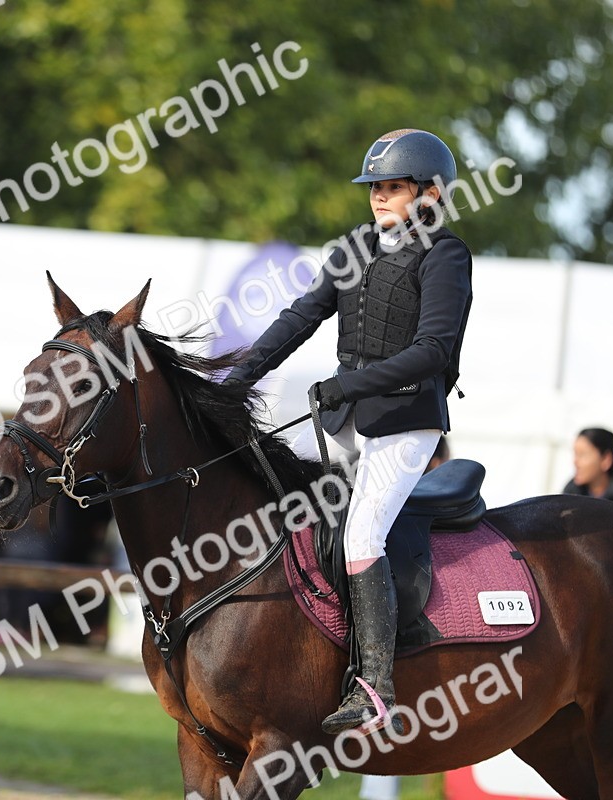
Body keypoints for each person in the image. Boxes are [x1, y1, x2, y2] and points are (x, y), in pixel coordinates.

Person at [226, 129, 474, 734]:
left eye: (391, 187)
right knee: (301, 523)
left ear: (430, 192)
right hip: (346, 422)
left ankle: (376, 689)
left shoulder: (446, 254)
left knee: (362, 537)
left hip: (405, 423)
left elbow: (434, 351)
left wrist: (350, 387)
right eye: (375, 189)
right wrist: (236, 378)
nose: (378, 198)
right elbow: (302, 316)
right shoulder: (357, 245)